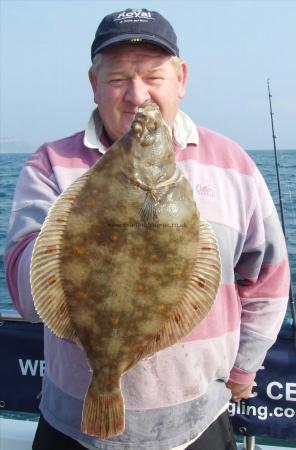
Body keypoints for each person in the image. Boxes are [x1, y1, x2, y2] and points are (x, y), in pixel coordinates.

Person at [4, 8, 290, 450]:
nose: (138, 97)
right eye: (118, 78)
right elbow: (26, 296)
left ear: (181, 78)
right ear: (93, 84)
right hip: (71, 425)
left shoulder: (234, 164)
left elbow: (267, 280)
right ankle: (107, 381)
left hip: (198, 420)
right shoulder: (48, 166)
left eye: (154, 77)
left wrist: (244, 369)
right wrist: (84, 223)